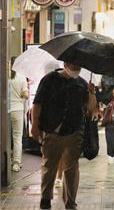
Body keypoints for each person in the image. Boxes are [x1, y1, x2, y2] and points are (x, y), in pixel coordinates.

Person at [31, 62, 97, 209]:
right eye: (74, 66)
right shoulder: (49, 79)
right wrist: (35, 126)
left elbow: (90, 112)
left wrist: (92, 93)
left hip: (74, 132)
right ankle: (46, 198)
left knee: (71, 169)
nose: (77, 69)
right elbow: (37, 104)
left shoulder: (82, 84)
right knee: (49, 165)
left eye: (79, 67)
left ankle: (70, 202)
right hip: (51, 131)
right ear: (66, 64)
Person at [8, 57, 29, 172]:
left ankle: (4, 161)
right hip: (17, 110)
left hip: (5, 111)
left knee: (4, 138)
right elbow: (25, 95)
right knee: (17, 138)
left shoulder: (4, 76)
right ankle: (16, 163)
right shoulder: (21, 78)